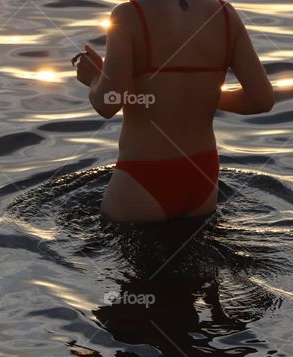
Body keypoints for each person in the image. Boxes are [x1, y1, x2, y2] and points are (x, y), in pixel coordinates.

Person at [75, 0, 275, 223]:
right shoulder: (226, 14)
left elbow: (107, 103)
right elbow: (262, 100)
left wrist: (93, 76)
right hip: (203, 177)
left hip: (142, 177)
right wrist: (201, 95)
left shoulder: (129, 15)